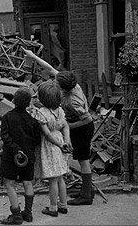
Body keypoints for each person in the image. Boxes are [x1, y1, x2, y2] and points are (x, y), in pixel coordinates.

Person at [23, 49, 95, 205]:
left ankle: (87, 195)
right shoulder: (72, 85)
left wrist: (66, 125)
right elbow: (50, 68)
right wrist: (33, 56)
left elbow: (87, 119)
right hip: (75, 125)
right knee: (80, 158)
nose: (53, 82)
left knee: (83, 160)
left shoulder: (72, 101)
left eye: (56, 83)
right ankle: (87, 188)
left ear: (63, 89)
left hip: (82, 128)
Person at [0, 87, 42, 224]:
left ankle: (16, 215)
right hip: (28, 156)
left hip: (11, 155)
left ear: (13, 101)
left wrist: (16, 149)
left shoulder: (7, 117)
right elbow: (37, 140)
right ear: (29, 104)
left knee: (9, 183)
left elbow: (5, 137)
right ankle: (28, 213)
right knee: (27, 182)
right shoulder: (33, 121)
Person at [30, 80, 72, 217]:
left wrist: (60, 145)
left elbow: (47, 134)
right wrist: (66, 141)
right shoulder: (60, 110)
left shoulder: (41, 112)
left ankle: (53, 207)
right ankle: (63, 205)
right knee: (61, 178)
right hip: (60, 140)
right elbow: (65, 126)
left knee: (53, 179)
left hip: (51, 145)